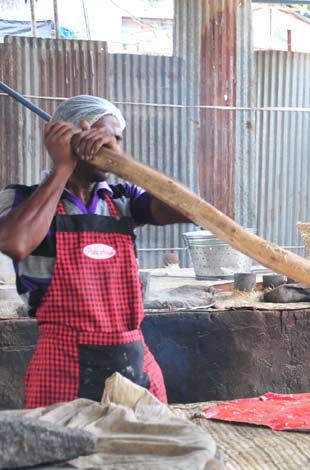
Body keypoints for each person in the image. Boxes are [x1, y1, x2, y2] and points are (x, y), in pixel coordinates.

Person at [0, 95, 191, 408]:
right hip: (62, 369)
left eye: (116, 138)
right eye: (100, 136)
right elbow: (16, 242)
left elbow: (191, 210)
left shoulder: (122, 200)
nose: (109, 144)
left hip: (134, 364)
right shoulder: (24, 199)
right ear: (68, 138)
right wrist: (64, 166)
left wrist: (126, 164)